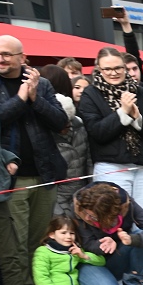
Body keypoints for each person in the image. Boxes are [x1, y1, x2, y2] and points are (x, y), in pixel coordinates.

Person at [0, 33, 68, 285]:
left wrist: (35, 98)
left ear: (22, 57)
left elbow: (60, 122)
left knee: (37, 242)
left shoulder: (42, 83)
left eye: (6, 54)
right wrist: (22, 97)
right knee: (15, 245)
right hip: (10, 179)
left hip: (44, 173)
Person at [77, 47, 143, 227]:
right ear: (99, 70)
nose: (114, 73)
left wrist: (138, 118)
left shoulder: (140, 91)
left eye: (118, 68)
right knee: (114, 221)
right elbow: (97, 133)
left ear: (124, 67)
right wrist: (122, 113)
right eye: (107, 69)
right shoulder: (91, 94)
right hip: (111, 167)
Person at [71, 181, 143, 285]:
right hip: (88, 260)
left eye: (93, 216)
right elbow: (87, 244)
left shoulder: (126, 205)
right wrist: (104, 244)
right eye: (86, 214)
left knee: (140, 237)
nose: (87, 218)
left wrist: (131, 239)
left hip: (116, 257)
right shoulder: (79, 208)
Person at [31, 216, 106, 285]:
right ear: (52, 235)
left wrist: (83, 255)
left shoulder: (74, 249)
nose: (68, 236)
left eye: (72, 233)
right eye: (63, 233)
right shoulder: (43, 252)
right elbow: (40, 278)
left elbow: (101, 261)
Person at [42, 66, 92, 219]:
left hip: (76, 194)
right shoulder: (43, 130)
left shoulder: (79, 125)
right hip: (64, 195)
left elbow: (87, 160)